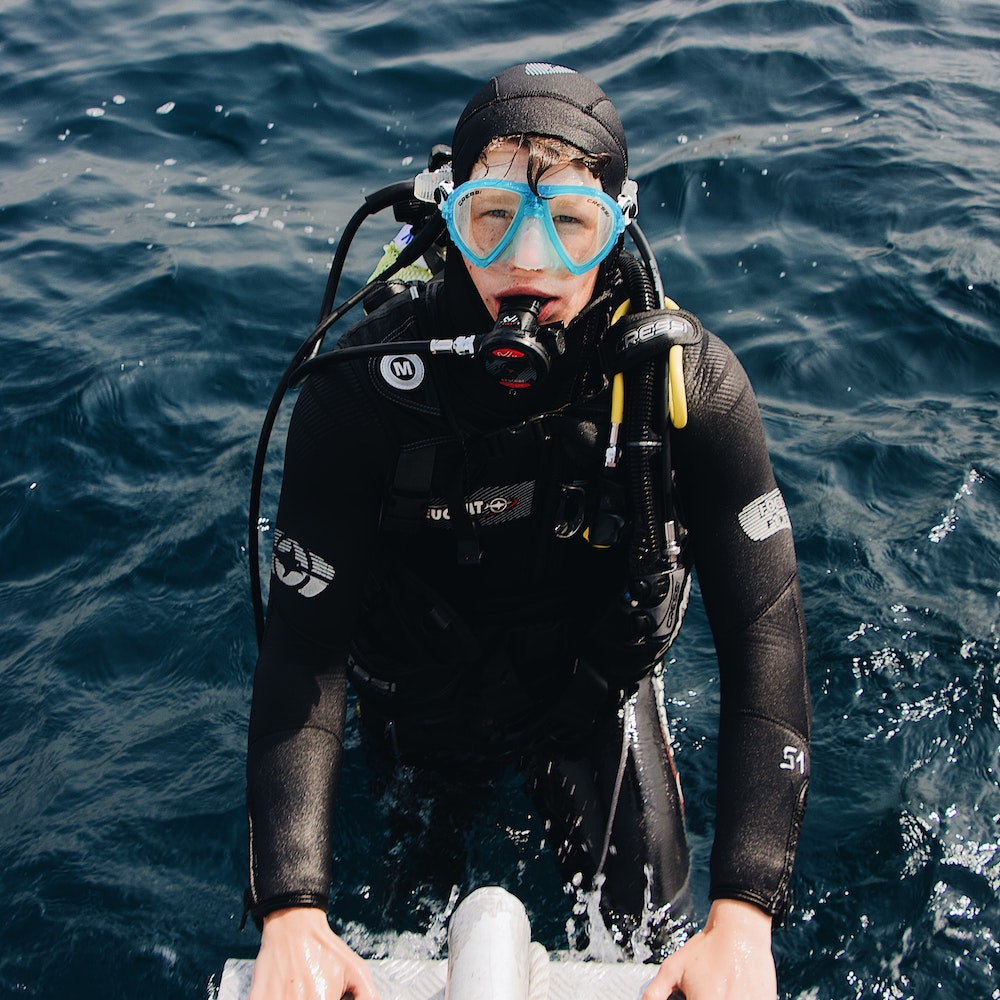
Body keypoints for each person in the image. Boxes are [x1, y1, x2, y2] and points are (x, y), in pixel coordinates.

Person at [243, 63, 811, 1000]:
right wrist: (293, 911)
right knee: (370, 941)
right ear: (445, 218)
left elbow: (767, 629)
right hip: (416, 704)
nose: (528, 260)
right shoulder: (360, 395)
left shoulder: (691, 390)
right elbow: (306, 649)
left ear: (616, 228)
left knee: (672, 953)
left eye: (571, 222)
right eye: (493, 216)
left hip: (591, 693)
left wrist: (744, 920)